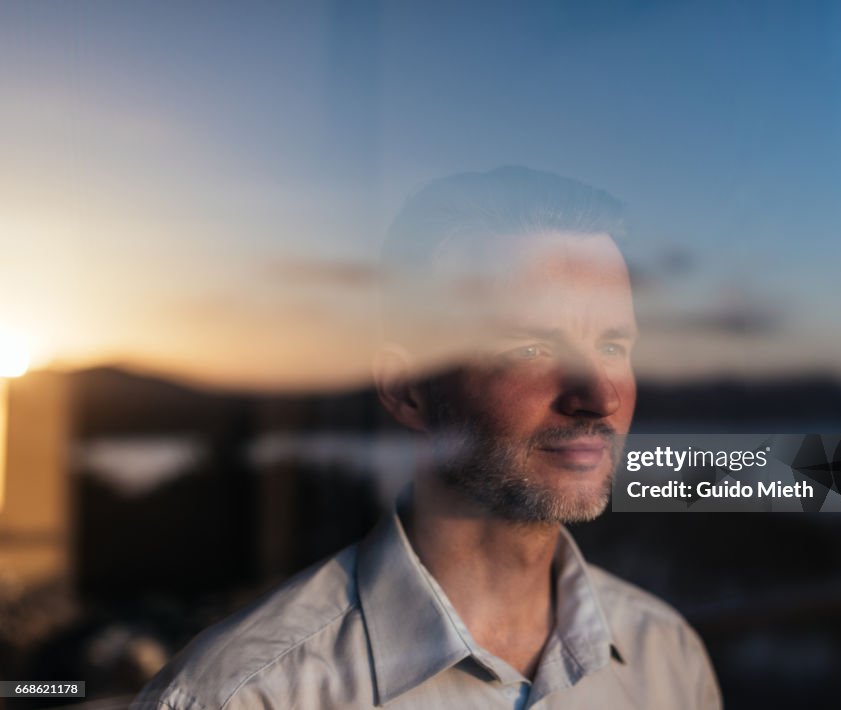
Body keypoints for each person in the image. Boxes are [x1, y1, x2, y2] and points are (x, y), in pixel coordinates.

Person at [133, 167, 721, 709]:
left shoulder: (667, 660)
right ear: (407, 390)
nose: (601, 397)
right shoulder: (246, 696)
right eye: (531, 348)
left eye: (614, 346)